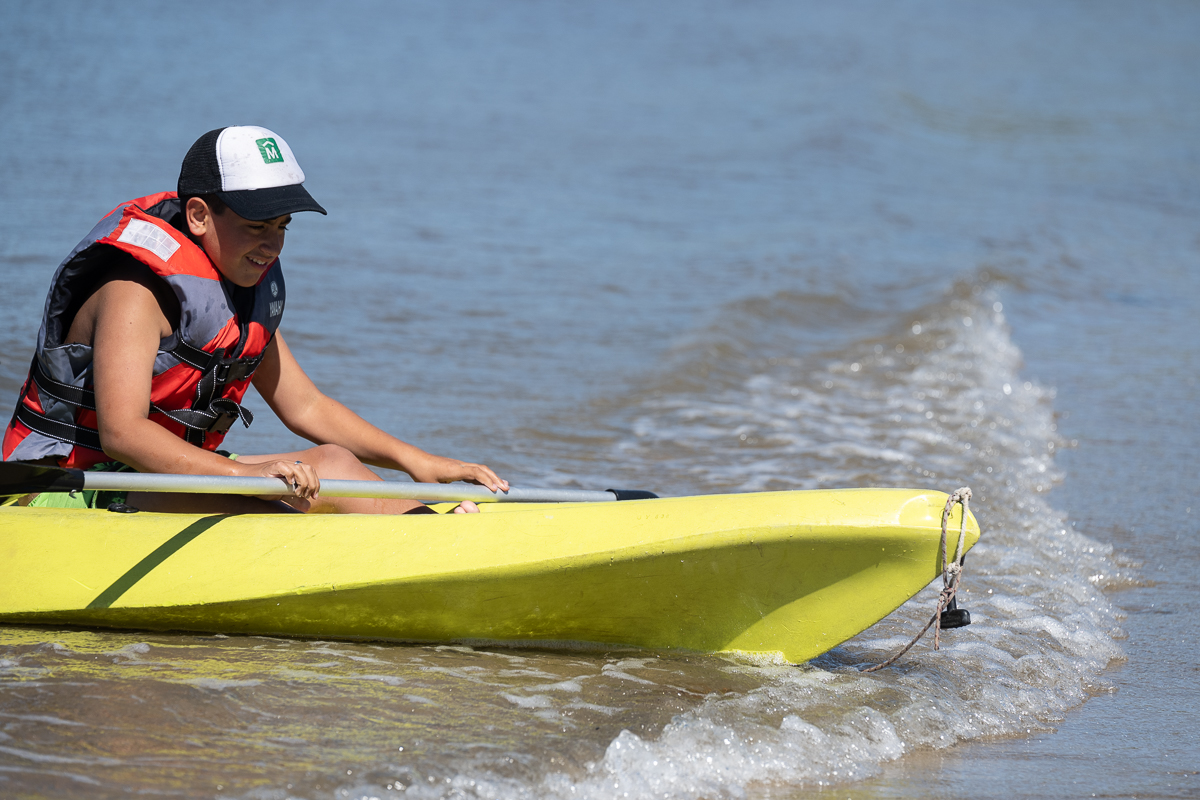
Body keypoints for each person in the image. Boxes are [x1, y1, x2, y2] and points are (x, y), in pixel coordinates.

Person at [2, 126, 507, 514]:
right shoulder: (134, 292)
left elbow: (306, 405)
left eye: (282, 226)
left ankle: (430, 530)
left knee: (330, 462)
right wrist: (253, 473)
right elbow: (123, 435)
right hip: (72, 491)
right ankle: (413, 546)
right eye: (255, 226)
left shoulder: (236, 291)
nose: (273, 244)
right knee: (276, 505)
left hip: (155, 480)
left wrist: (416, 461)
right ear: (199, 215)